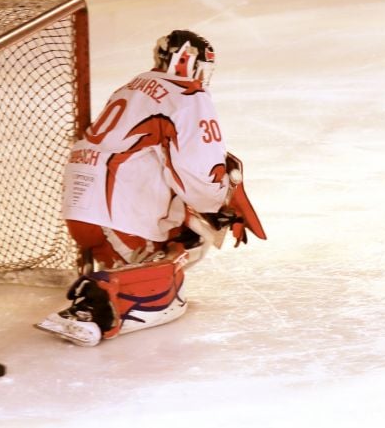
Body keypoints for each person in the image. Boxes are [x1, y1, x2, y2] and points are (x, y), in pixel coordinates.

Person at [37, 30, 266, 347]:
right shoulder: (189, 97)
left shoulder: (134, 86)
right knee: (172, 289)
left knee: (184, 233)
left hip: (88, 207)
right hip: (114, 213)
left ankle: (113, 282)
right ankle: (95, 305)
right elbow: (197, 168)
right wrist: (219, 208)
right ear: (194, 65)